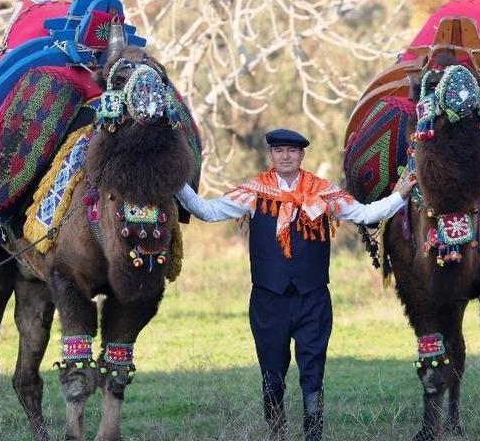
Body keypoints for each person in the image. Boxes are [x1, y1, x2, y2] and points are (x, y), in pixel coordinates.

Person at [176, 128, 414, 441]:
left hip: (313, 298)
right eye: (279, 151)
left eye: (292, 151)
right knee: (272, 374)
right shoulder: (254, 192)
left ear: (302, 155)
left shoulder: (323, 192)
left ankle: (313, 434)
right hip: (268, 300)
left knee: (313, 373)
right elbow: (206, 211)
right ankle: (276, 433)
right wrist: (176, 180)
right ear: (271, 155)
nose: (285, 156)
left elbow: (364, 214)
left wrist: (401, 194)